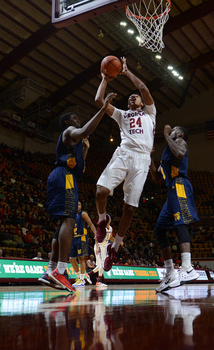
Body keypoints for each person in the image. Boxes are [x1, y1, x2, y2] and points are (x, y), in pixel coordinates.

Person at [38, 92, 116, 292]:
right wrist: (103, 108)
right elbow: (82, 130)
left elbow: (79, 169)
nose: (77, 121)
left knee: (62, 224)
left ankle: (50, 270)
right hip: (63, 177)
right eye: (74, 118)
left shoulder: (75, 144)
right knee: (69, 220)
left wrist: (86, 149)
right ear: (66, 123)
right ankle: (61, 272)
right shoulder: (69, 131)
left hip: (67, 177)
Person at [94, 56, 156, 272]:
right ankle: (102, 222)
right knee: (101, 191)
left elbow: (144, 88)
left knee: (129, 208)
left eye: (136, 97)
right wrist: (105, 80)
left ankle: (115, 247)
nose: (133, 97)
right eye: (130, 97)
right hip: (124, 153)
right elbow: (98, 102)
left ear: (142, 103)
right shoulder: (122, 115)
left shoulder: (150, 113)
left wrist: (127, 72)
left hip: (142, 160)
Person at [149, 125, 199, 293]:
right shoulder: (166, 153)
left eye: (173, 129)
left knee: (180, 223)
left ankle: (187, 267)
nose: (169, 130)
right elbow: (156, 178)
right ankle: (171, 272)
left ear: (179, 133)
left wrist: (165, 135)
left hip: (180, 184)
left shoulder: (179, 141)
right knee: (159, 230)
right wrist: (150, 158)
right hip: (171, 190)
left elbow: (180, 153)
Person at [70, 200, 96, 288]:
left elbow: (91, 224)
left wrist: (96, 234)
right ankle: (78, 278)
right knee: (71, 259)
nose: (78, 206)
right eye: (76, 204)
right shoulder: (71, 216)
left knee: (81, 258)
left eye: (79, 204)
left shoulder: (83, 214)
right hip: (73, 238)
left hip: (82, 237)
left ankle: (82, 279)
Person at [85, 215, 114, 287]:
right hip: (100, 247)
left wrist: (118, 241)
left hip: (104, 247)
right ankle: (98, 281)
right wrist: (97, 247)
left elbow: (111, 237)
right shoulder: (102, 229)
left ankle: (88, 274)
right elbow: (96, 238)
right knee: (102, 265)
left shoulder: (110, 228)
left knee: (101, 265)